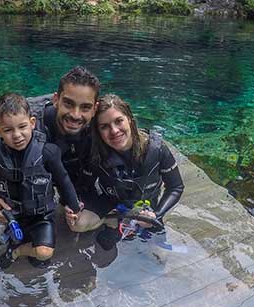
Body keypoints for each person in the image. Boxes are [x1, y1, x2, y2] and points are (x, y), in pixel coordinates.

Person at [0, 93, 82, 268]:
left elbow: (63, 180)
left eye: (22, 126)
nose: (17, 135)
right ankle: (16, 245)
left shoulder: (48, 152)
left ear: (32, 123)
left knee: (43, 253)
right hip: (12, 215)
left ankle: (16, 252)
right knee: (25, 246)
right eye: (8, 130)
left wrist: (74, 206)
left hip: (42, 215)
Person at [66, 94, 184, 249]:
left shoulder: (157, 149)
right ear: (98, 131)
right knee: (77, 224)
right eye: (104, 126)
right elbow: (84, 186)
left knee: (161, 258)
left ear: (129, 119)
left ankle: (134, 223)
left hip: (146, 209)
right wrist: (76, 206)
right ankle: (112, 221)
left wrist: (157, 214)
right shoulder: (95, 154)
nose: (114, 131)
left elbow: (176, 187)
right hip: (112, 203)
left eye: (118, 121)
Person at [0, 67, 100, 222]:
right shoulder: (24, 122)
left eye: (85, 107)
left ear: (95, 109)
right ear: (55, 99)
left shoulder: (102, 125)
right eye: (68, 104)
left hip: (73, 170)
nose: (75, 114)